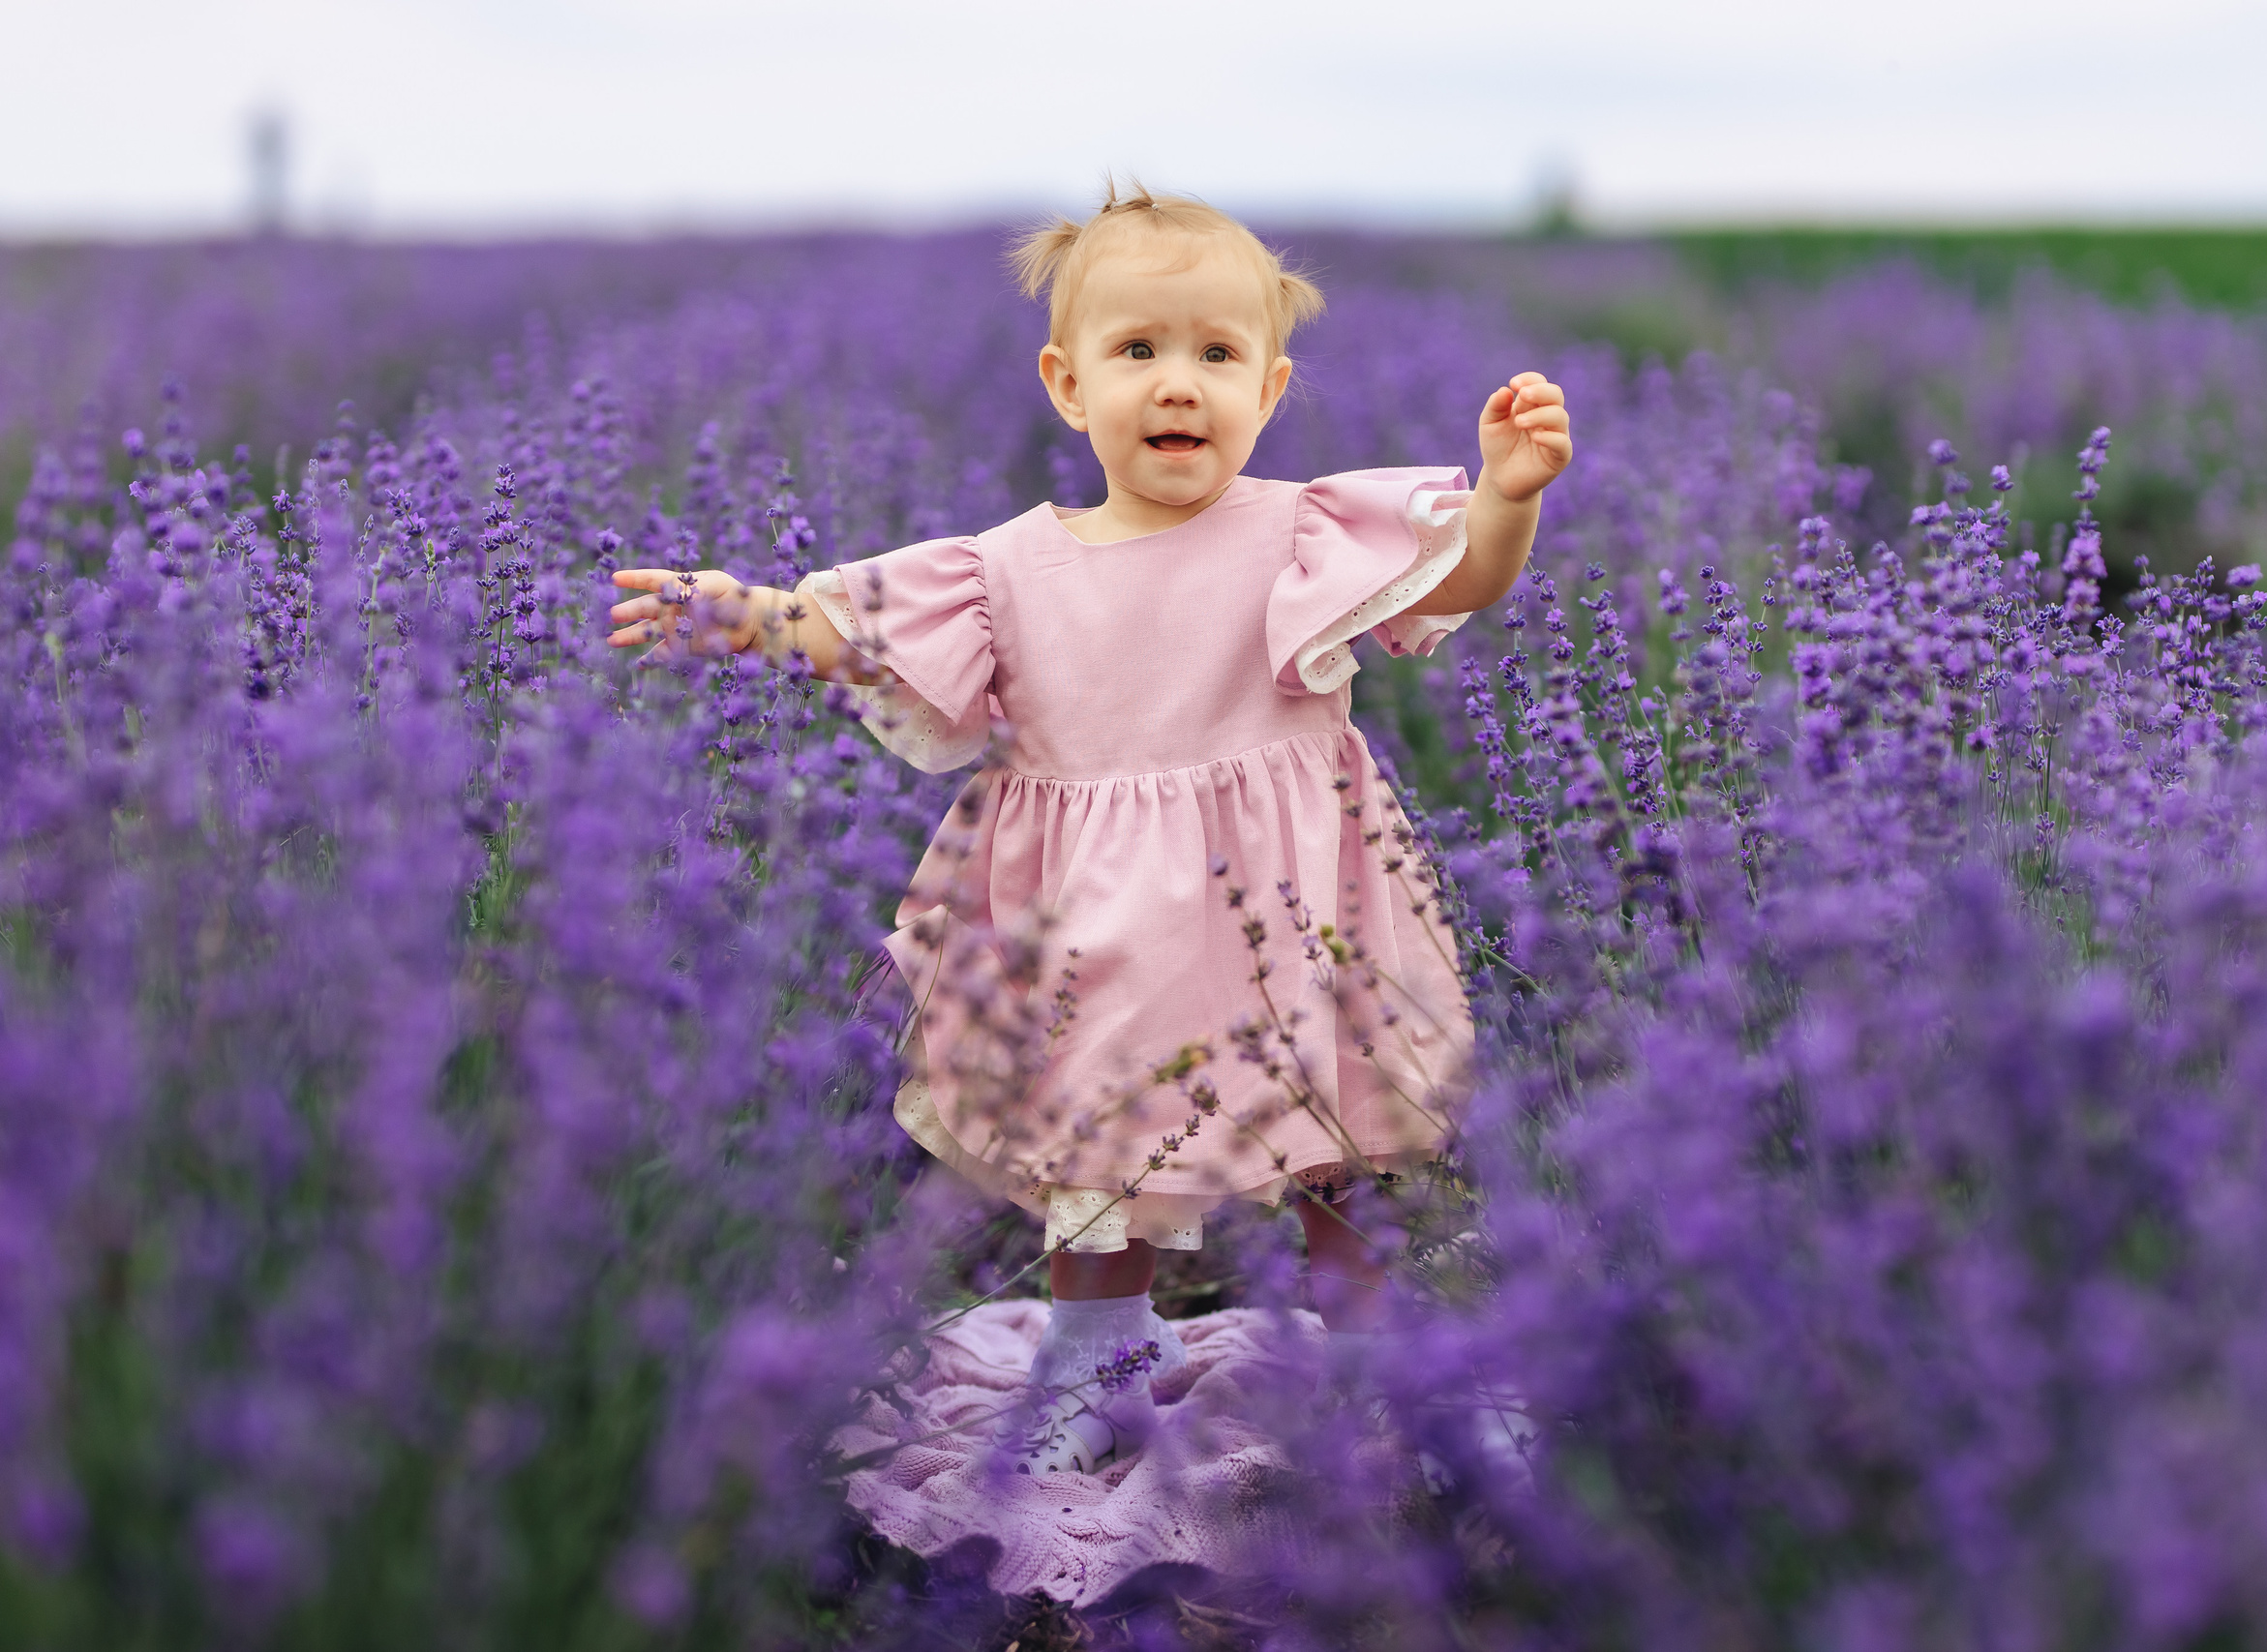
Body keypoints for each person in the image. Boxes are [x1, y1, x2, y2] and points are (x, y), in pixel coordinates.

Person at [607, 183, 1571, 1475]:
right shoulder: (1005, 570)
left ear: (1271, 389)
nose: (1180, 385)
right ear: (1068, 386)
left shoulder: (1303, 534)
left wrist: (1509, 498)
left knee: (1346, 1139)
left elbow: (1462, 577)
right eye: (1140, 352)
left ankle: (1361, 1350)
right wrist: (748, 614)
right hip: (1097, 921)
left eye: (1217, 355)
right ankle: (1096, 1351)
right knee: (1096, 1143)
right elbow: (857, 632)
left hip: (1305, 907)